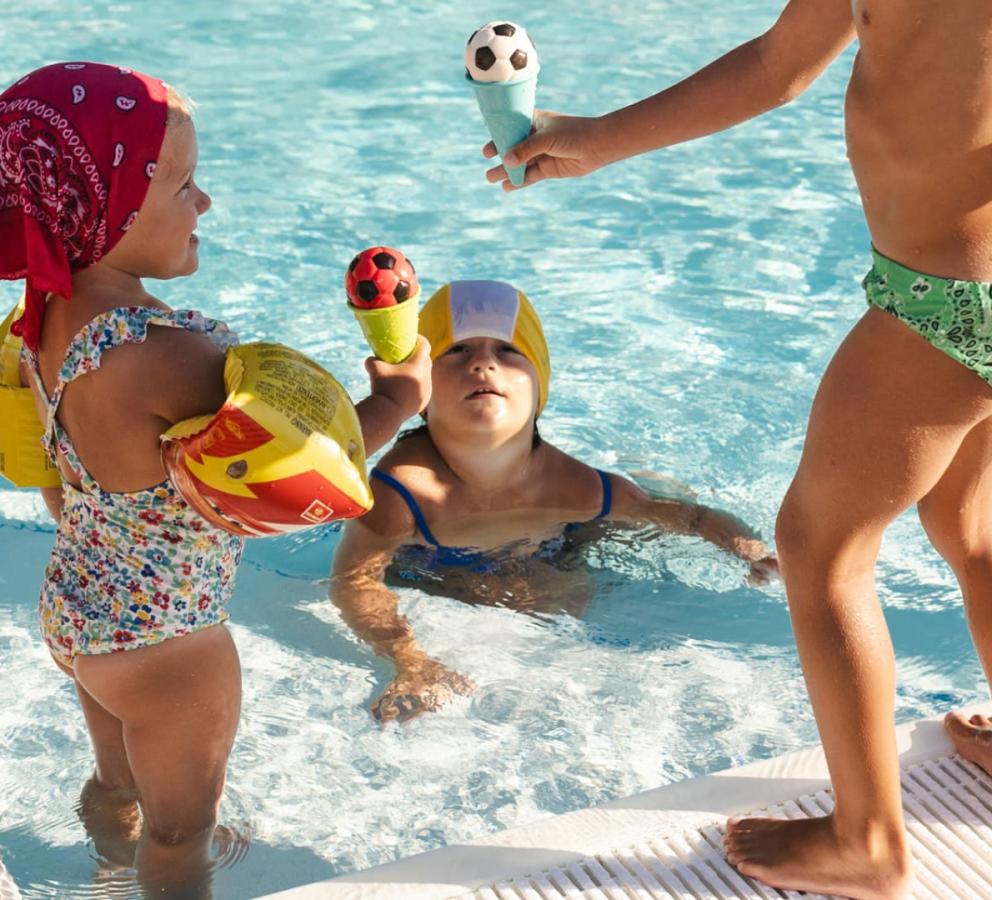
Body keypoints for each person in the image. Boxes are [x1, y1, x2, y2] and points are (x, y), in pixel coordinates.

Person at [483, 2, 992, 897]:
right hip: (952, 285)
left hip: (947, 302)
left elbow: (779, 65)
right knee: (968, 524)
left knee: (820, 548)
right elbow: (780, 63)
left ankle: (868, 842)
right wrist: (602, 138)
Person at [0, 62, 431, 891]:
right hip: (169, 646)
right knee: (182, 831)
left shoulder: (42, 320)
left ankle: (103, 869)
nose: (204, 204)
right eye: (184, 186)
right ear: (107, 210)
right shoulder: (165, 356)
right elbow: (301, 475)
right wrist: (399, 399)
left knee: (119, 783)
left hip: (81, 607)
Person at [331, 279, 777, 723]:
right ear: (421, 392)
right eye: (457, 351)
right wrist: (409, 660)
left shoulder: (575, 486)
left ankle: (650, 474)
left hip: (556, 550)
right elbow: (354, 582)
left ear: (539, 386)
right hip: (436, 572)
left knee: (569, 589)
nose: (483, 363)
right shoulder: (403, 491)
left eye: (507, 352)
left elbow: (692, 518)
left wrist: (749, 550)